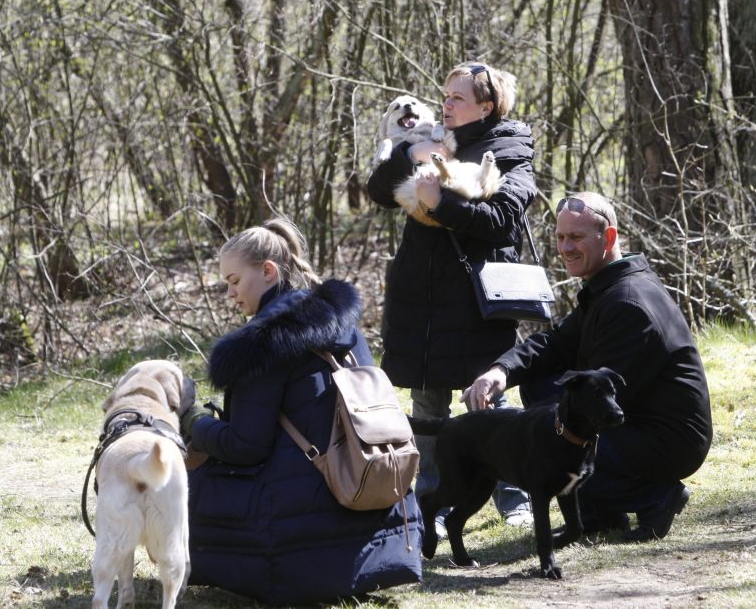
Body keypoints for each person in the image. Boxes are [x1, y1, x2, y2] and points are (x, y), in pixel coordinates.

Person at [179, 219, 423, 605]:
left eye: (234, 280)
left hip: (297, 544)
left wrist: (196, 423)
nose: (229, 293)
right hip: (372, 508)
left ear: (268, 271)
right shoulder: (342, 323)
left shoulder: (260, 344)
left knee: (191, 478)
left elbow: (246, 445)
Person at [464, 192, 713, 542]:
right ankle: (600, 514)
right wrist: (500, 371)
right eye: (561, 237)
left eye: (576, 237)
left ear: (608, 238)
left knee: (558, 432)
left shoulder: (628, 302)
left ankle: (657, 498)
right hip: (640, 423)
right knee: (541, 389)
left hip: (667, 441)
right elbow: (557, 344)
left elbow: (605, 400)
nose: (565, 247)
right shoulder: (607, 287)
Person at [366, 61, 538, 529]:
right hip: (419, 295)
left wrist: (442, 205)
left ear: (487, 105)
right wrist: (412, 155)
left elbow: (503, 220)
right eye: (445, 96)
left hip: (477, 298)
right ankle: (432, 504)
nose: (446, 104)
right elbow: (378, 189)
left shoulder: (510, 146)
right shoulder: (427, 137)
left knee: (490, 401)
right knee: (426, 408)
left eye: (457, 98)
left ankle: (515, 497)